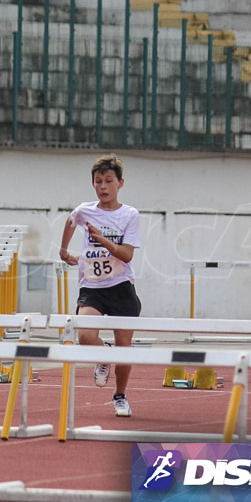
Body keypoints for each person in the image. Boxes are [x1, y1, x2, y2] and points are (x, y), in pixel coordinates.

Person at [58, 154, 142, 417]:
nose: (103, 186)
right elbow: (71, 221)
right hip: (92, 286)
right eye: (98, 182)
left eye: (108, 181)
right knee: (84, 335)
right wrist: (64, 250)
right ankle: (103, 354)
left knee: (124, 349)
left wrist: (102, 240)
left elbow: (127, 255)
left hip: (120, 286)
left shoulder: (130, 215)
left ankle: (120, 396)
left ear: (120, 183)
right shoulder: (85, 210)